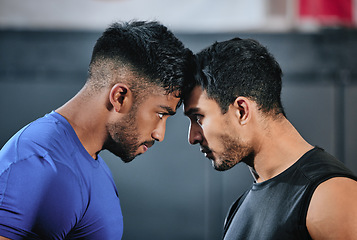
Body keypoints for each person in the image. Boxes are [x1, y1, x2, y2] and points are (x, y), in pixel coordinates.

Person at [0, 21, 193, 239]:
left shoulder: (90, 161)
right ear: (119, 97)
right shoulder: (36, 162)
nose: (160, 134)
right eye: (160, 114)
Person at [183, 38, 357, 240]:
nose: (192, 137)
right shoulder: (239, 208)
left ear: (241, 111)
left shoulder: (331, 194)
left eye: (198, 118)